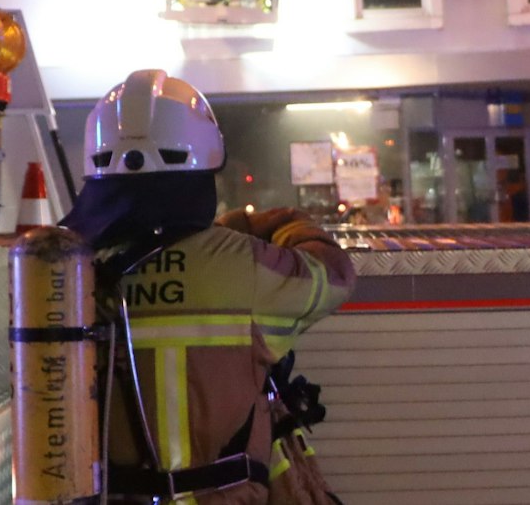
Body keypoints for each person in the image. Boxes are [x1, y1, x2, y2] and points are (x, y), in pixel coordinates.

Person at [62, 70, 355, 504]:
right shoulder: (243, 264)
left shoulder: (62, 272)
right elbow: (332, 276)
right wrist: (285, 224)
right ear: (205, 163)